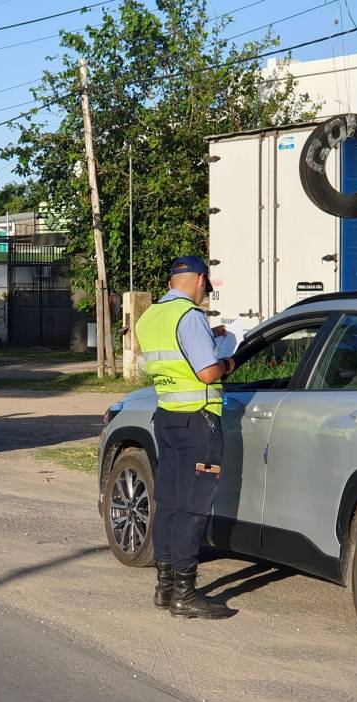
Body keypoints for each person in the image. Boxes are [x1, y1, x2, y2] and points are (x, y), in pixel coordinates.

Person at [135, 256, 238, 620]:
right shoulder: (190, 316)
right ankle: (185, 593)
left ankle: (164, 588)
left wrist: (210, 338)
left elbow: (174, 358)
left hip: (168, 418)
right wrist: (227, 360)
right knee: (194, 507)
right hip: (199, 422)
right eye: (205, 284)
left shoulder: (149, 317)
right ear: (200, 280)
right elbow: (207, 373)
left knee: (171, 502)